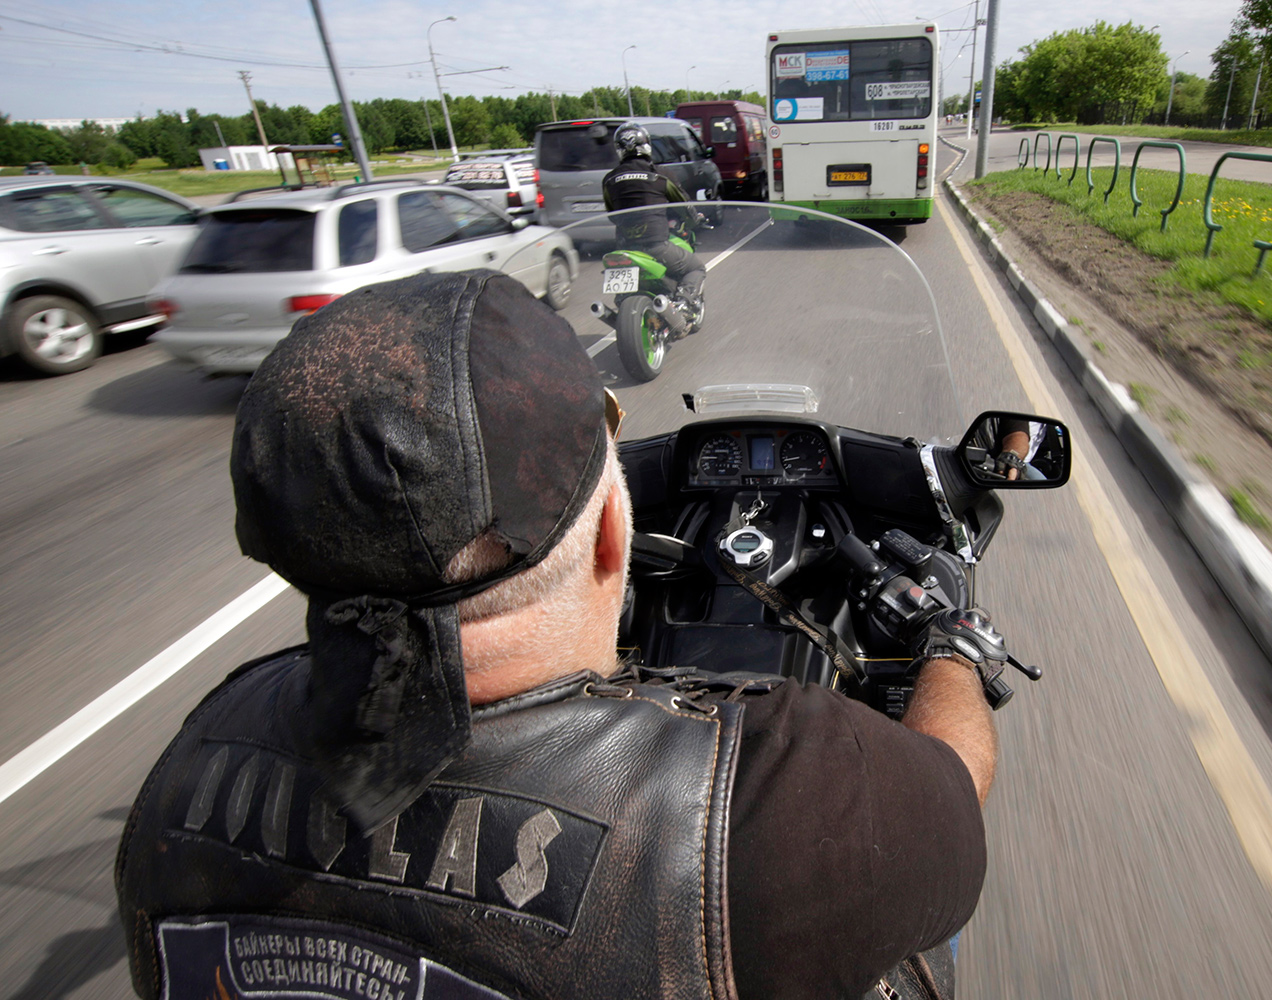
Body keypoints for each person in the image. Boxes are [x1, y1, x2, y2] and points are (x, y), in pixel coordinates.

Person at [115, 271, 997, 1000]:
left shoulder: (191, 758)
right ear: (616, 525)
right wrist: (953, 641)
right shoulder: (783, 803)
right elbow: (956, 792)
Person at [601, 121, 707, 314]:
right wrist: (695, 219)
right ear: (647, 145)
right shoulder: (660, 176)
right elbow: (684, 205)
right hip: (656, 245)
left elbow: (612, 215)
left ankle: (625, 301)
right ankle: (682, 303)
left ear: (619, 150)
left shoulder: (609, 179)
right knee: (696, 268)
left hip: (625, 247)